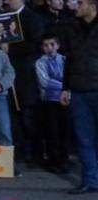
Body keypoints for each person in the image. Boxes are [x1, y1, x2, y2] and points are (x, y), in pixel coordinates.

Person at [60, 0, 98, 194]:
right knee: (84, 138)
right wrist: (65, 87)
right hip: (79, 91)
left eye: (81, 3)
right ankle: (90, 181)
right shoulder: (72, 29)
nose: (76, 5)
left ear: (93, 6)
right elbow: (69, 59)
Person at [4, 0, 46, 169]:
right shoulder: (6, 18)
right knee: (15, 115)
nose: (6, 1)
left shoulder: (33, 19)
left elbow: (35, 44)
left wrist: (11, 49)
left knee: (29, 115)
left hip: (26, 74)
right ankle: (20, 150)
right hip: (11, 73)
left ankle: (34, 153)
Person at [35, 33, 69, 174]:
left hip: (66, 100)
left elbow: (71, 76)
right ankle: (54, 160)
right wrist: (64, 85)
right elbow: (45, 82)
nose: (49, 48)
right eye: (45, 45)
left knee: (64, 131)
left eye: (52, 44)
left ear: (58, 45)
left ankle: (64, 159)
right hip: (49, 101)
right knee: (52, 132)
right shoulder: (40, 62)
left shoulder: (65, 60)